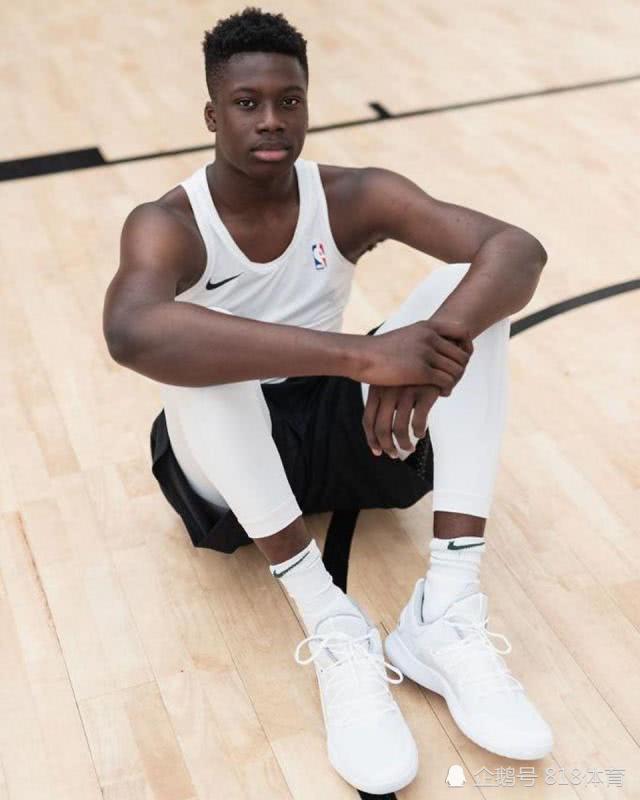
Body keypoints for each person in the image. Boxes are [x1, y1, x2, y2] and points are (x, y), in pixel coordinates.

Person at [103, 6, 553, 794]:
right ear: (212, 115)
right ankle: (331, 622)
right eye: (247, 103)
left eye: (290, 101)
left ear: (308, 104)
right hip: (225, 460)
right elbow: (130, 331)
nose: (271, 121)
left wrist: (431, 350)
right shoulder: (168, 224)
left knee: (468, 290)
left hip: (341, 428)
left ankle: (445, 612)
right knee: (193, 349)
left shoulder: (352, 194)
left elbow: (517, 248)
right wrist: (365, 355)